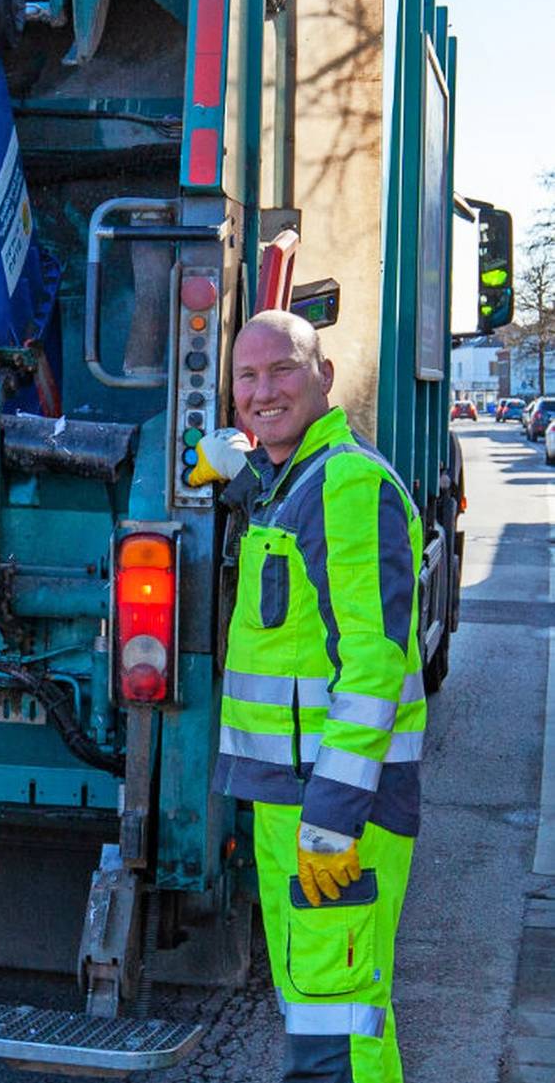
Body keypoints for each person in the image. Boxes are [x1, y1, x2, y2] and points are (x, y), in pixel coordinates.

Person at [187, 310, 425, 1083]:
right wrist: (227, 468)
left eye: (282, 369)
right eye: (245, 377)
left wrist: (332, 813)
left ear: (324, 374)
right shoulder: (291, 483)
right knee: (327, 1003)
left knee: (334, 1022)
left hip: (333, 806)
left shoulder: (348, 486)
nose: (262, 390)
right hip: (295, 800)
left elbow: (374, 663)